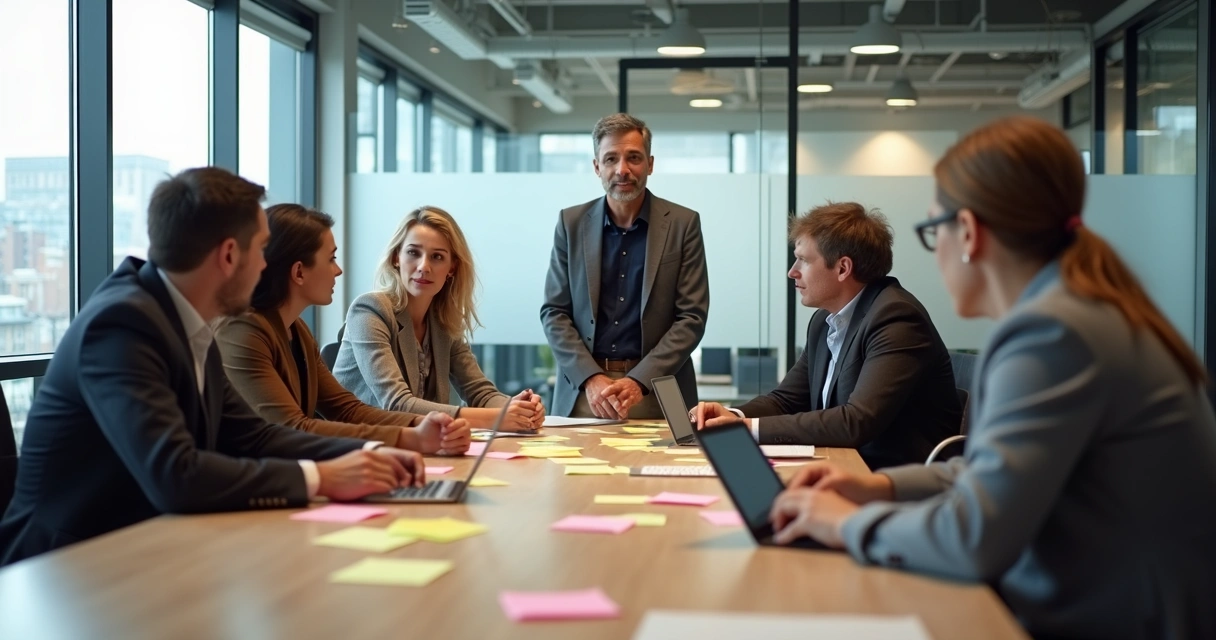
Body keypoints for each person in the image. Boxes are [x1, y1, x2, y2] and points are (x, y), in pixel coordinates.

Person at [767, 117, 1216, 639]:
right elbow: (986, 476)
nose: (935, 254)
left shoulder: (1052, 333)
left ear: (971, 234)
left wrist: (841, 524)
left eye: (934, 231)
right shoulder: (1076, 311)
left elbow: (976, 535)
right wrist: (875, 487)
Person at [0, 168, 442, 566]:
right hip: (65, 567)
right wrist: (322, 476)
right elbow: (177, 473)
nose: (268, 265)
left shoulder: (188, 322)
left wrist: (373, 455)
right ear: (230, 255)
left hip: (141, 548)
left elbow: (251, 433)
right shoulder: (122, 325)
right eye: (263, 249)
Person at [694, 202, 961, 469]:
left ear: (843, 268)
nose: (792, 271)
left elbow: (856, 422)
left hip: (892, 480)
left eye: (804, 260)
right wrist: (732, 414)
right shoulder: (824, 320)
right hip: (844, 466)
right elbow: (787, 399)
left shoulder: (896, 318)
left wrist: (745, 427)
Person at [216, 204, 470, 455]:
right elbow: (292, 428)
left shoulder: (297, 330)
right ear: (299, 272)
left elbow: (348, 410)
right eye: (331, 259)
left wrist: (420, 425)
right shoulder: (244, 332)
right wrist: (411, 437)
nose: (338, 270)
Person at [540, 112, 709, 420]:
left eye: (633, 158)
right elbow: (554, 312)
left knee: (668, 468)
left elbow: (692, 318)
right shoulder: (571, 223)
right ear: (597, 167)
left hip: (659, 388)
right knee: (574, 468)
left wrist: (637, 381)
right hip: (585, 390)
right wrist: (590, 378)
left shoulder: (683, 224)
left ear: (650, 164)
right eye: (610, 159)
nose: (622, 170)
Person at [333, 206, 544, 432]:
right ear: (396, 258)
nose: (424, 267)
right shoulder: (370, 310)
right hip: (359, 447)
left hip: (420, 447)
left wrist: (519, 410)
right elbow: (396, 404)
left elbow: (480, 392)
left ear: (452, 267)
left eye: (437, 257)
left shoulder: (442, 322)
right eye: (413, 253)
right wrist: (497, 418)